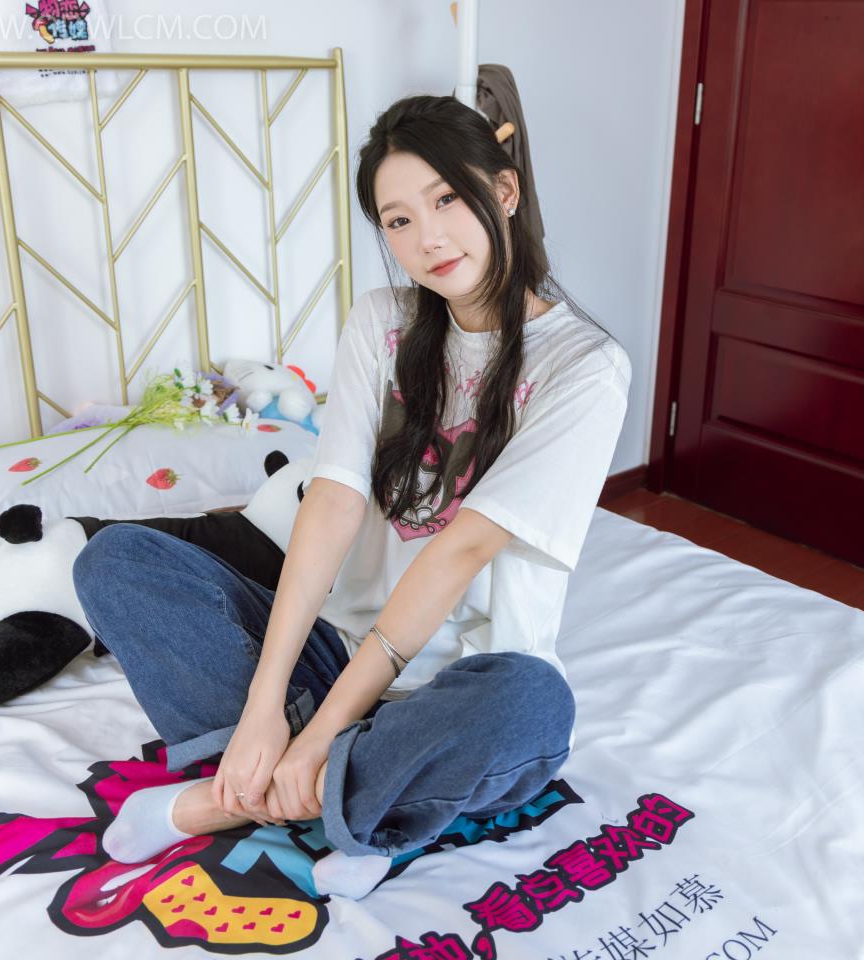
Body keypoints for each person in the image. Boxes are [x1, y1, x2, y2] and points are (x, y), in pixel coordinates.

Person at [73, 94, 631, 900]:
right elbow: (331, 502)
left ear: (504, 191)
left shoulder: (585, 366)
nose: (427, 237)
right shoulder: (383, 324)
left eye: (447, 198)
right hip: (334, 653)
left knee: (532, 706)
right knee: (115, 559)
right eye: (398, 220)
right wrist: (266, 705)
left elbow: (462, 549)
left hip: (464, 683)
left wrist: (321, 730)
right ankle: (355, 796)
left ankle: (229, 800)